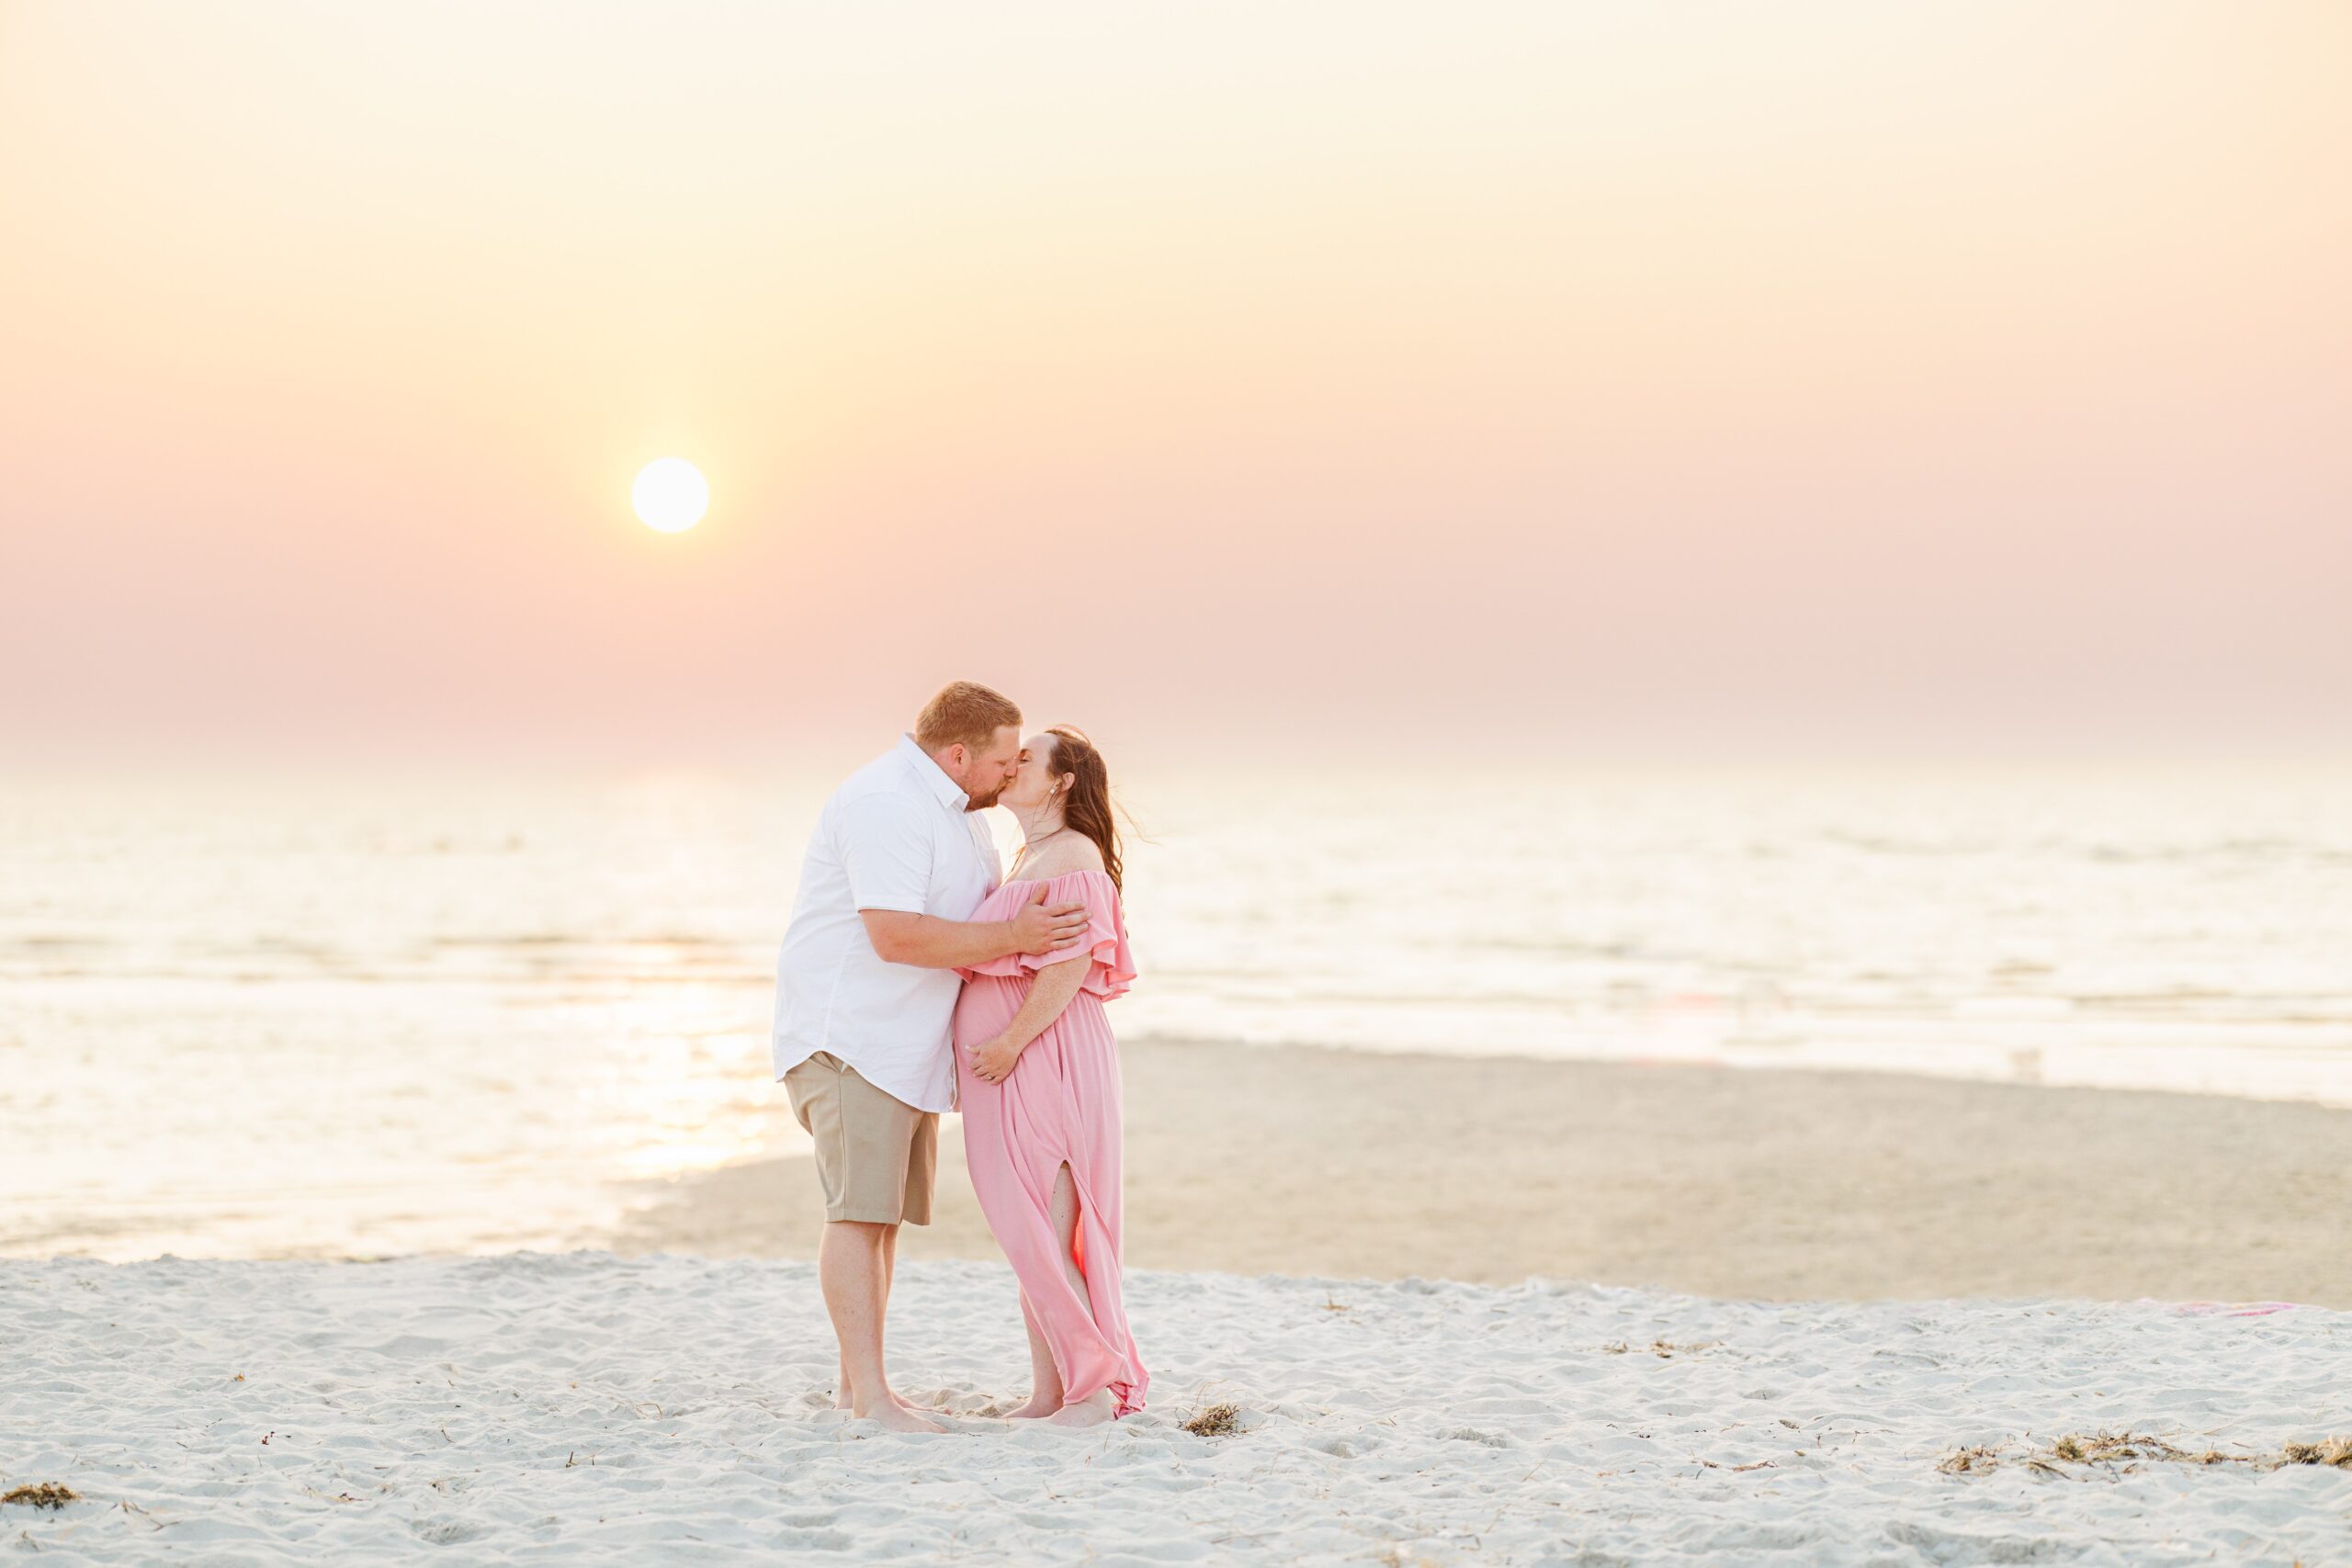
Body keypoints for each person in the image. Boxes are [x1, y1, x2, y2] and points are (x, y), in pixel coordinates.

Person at [772, 681, 1090, 1434]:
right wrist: (1021, 940)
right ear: (958, 754)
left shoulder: (959, 812)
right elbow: (897, 936)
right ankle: (871, 1400)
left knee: (879, 1219)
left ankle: (862, 1390)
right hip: (852, 1038)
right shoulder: (888, 803)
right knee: (856, 1214)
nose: (1012, 772)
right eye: (1004, 760)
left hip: (902, 1049)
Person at [953, 725, 1149, 1426]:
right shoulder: (1033, 854)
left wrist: (1007, 1040)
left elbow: (1067, 965)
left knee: (1050, 1223)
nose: (1011, 767)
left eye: (1026, 759)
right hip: (1024, 1059)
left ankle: (1089, 1393)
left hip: (1048, 1056)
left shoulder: (1071, 853)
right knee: (1028, 1231)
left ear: (1063, 781)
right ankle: (1051, 1393)